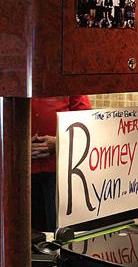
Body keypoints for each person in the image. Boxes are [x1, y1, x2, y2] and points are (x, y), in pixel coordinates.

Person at [31, 95, 92, 232]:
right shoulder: (10, 79)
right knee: (24, 232)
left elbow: (87, 121)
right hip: (17, 170)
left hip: (59, 171)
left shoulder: (67, 80)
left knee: (59, 230)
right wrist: (18, 144)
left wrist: (60, 141)